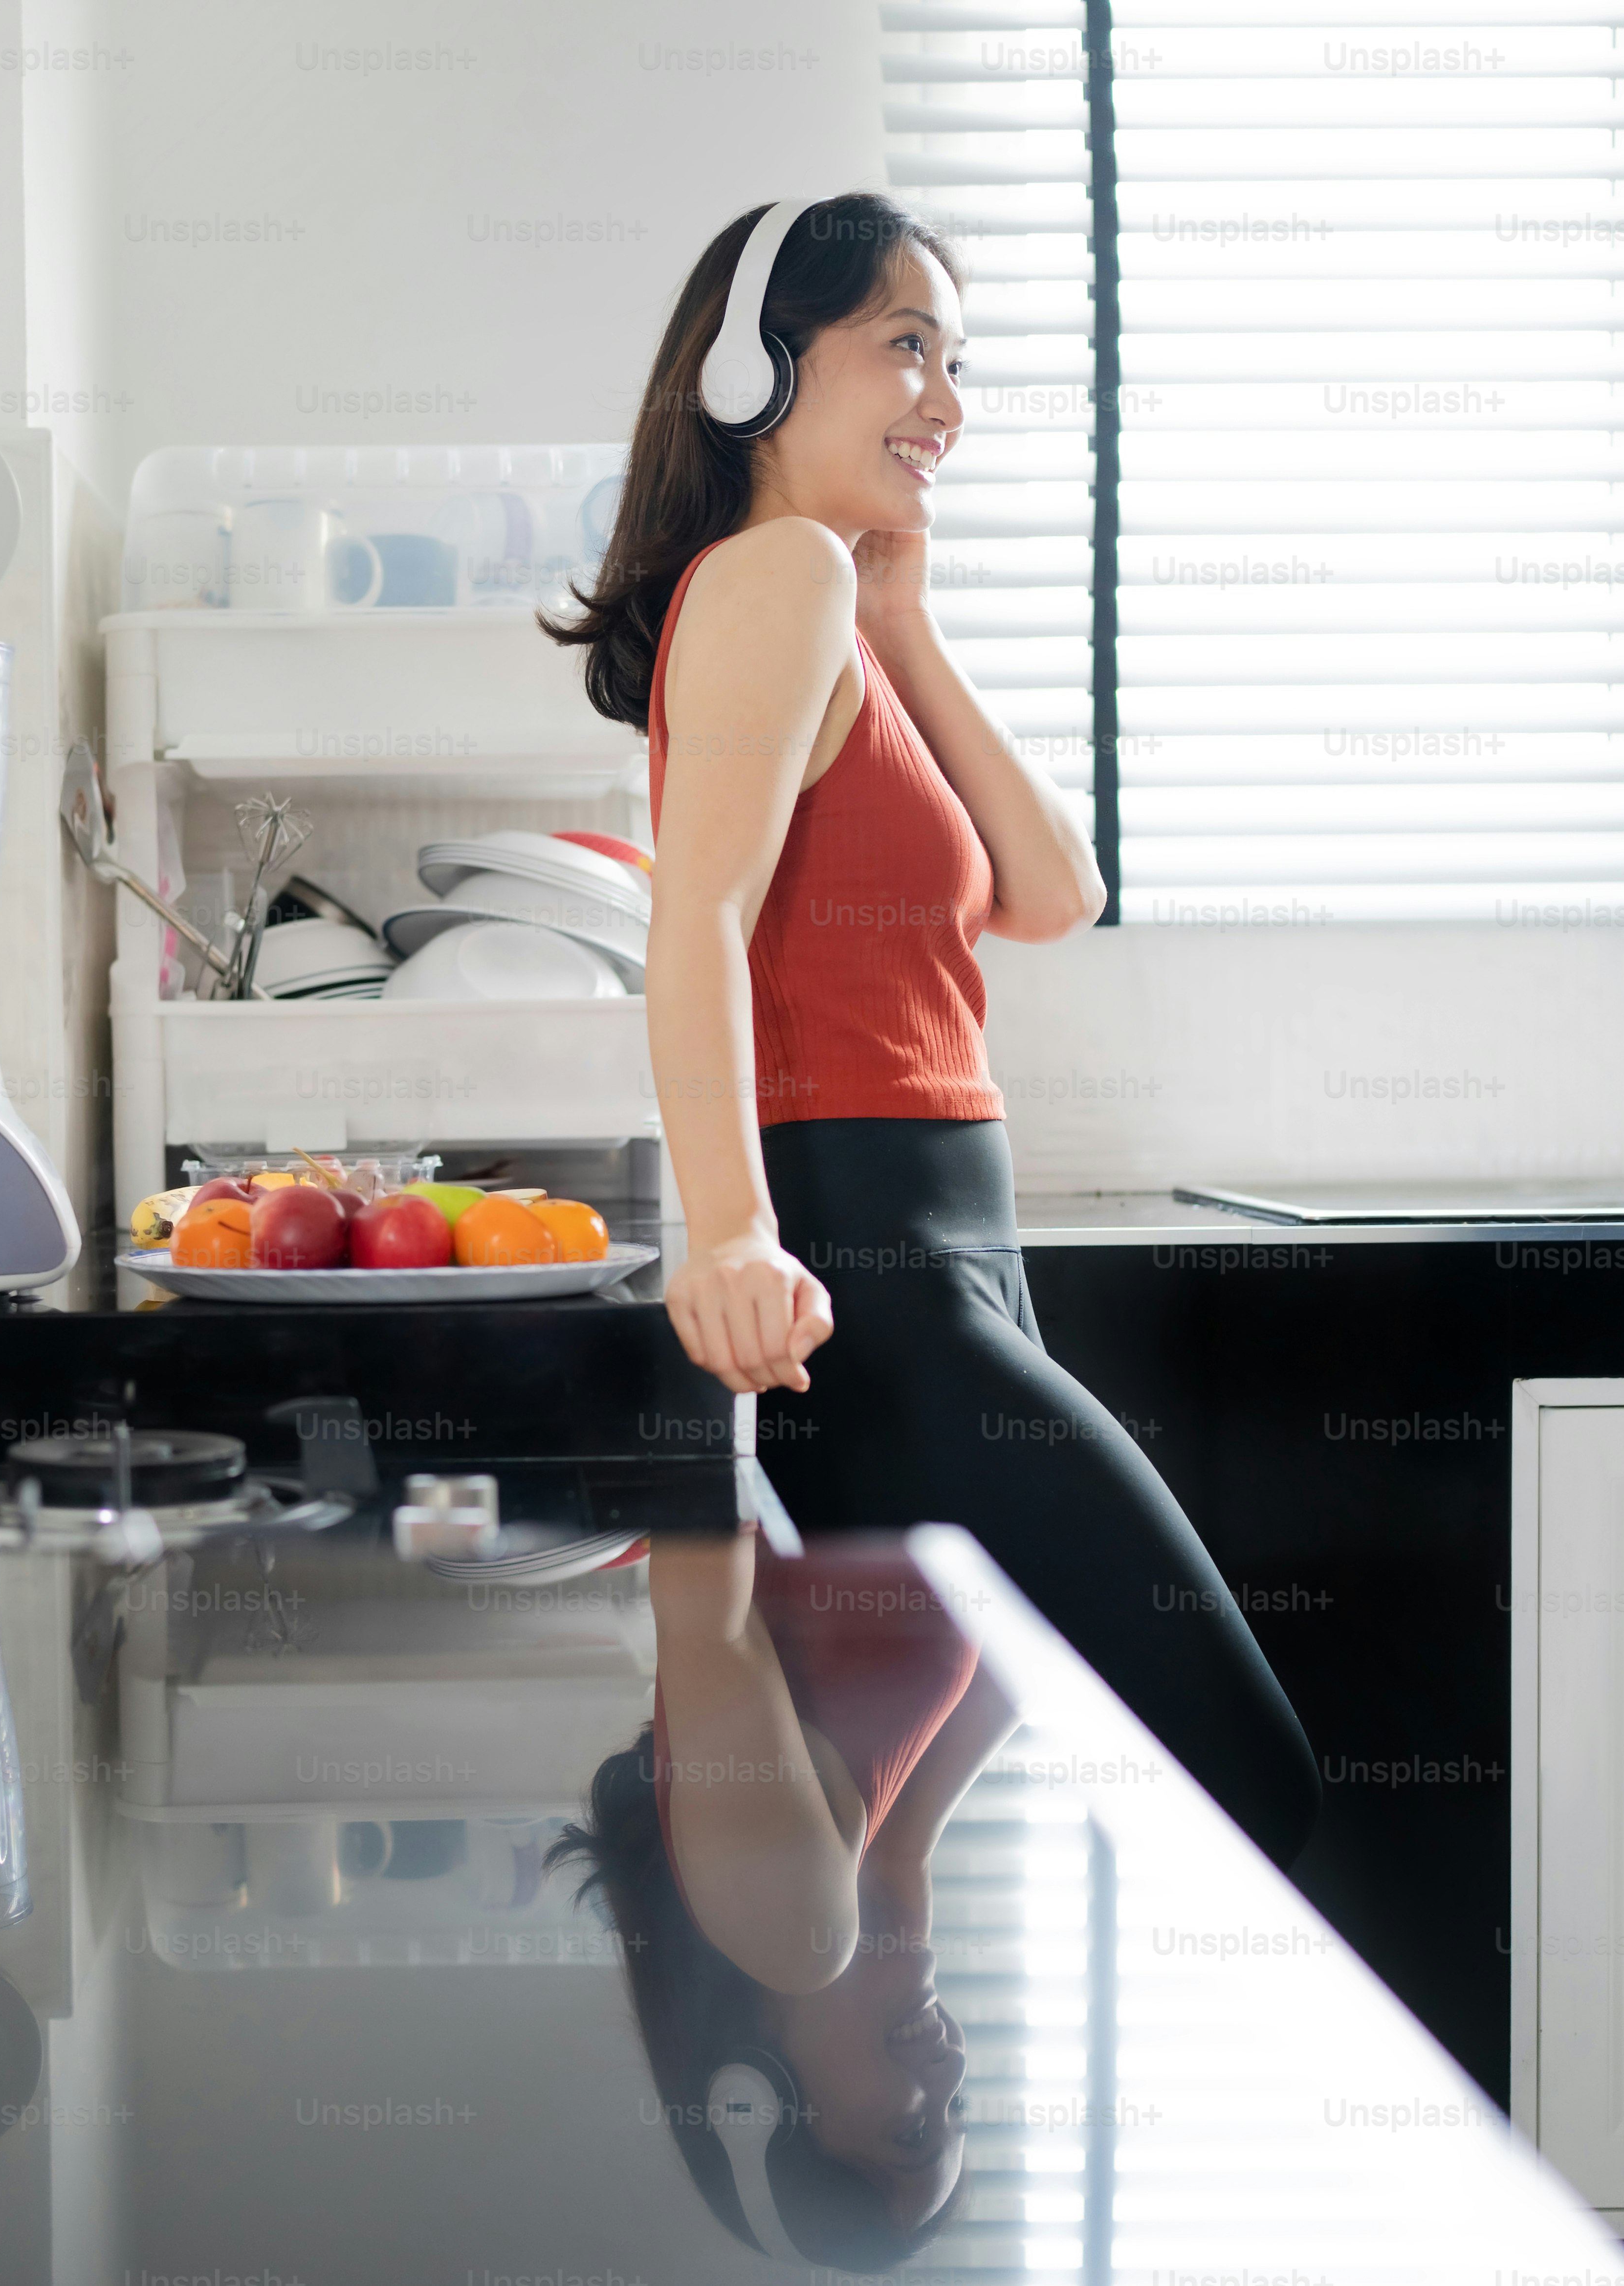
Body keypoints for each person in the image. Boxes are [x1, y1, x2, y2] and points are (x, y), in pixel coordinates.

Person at [542, 193, 1320, 1869]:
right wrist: (731, 1231)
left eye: (957, 362)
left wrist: (912, 624)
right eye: (907, 346)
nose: (947, 407)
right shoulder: (777, 570)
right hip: (883, 1276)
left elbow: (1054, 891)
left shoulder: (834, 603)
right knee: (1249, 1776)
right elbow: (698, 919)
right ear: (756, 373)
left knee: (933, 1804)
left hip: (956, 1263)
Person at [550, 1539, 1013, 2270]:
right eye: (959, 2112)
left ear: (759, 2106)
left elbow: (700, 1548)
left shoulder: (796, 1935)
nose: (953, 2074)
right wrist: (901, 1914)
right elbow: (1021, 1655)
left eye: (911, 2132)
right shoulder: (860, 1884)